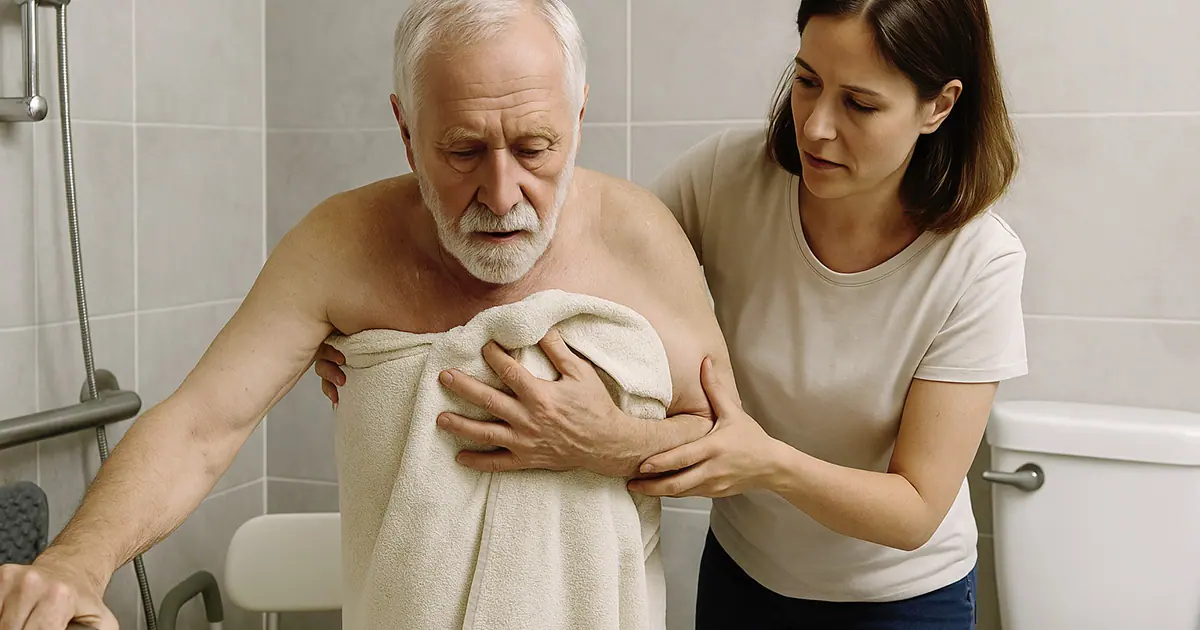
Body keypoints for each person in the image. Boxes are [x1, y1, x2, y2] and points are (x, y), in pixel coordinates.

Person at [0, 1, 739, 628]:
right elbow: (201, 425)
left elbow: (727, 440)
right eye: (462, 151)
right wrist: (76, 561)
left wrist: (608, 443)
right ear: (406, 130)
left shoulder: (638, 237)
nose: (503, 192)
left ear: (577, 116)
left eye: (536, 147)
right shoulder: (342, 245)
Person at [315, 0, 1028, 628]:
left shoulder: (977, 264)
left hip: (903, 600)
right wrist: (380, 316)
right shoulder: (729, 177)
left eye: (860, 105)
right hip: (745, 578)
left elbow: (915, 509)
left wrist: (765, 464)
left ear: (939, 106)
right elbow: (571, 256)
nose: (814, 127)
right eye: (807, 81)